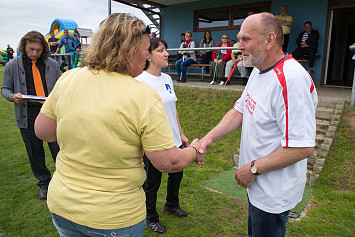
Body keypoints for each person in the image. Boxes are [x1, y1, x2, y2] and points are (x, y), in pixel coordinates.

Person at [34, 13, 202, 237]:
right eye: (144, 50)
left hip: (63, 207)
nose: (146, 56)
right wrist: (194, 150)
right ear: (127, 52)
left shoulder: (69, 78)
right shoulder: (144, 96)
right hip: (113, 218)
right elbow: (168, 162)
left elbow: (43, 130)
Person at [199, 13, 317, 237]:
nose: (238, 46)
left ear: (269, 40)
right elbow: (239, 111)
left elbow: (303, 147)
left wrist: (252, 169)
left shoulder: (291, 80)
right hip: (257, 186)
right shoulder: (259, 70)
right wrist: (208, 139)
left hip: (273, 193)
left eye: (245, 39)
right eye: (238, 39)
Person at [136, 38, 189, 234]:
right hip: (154, 143)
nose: (166, 54)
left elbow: (173, 109)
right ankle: (150, 216)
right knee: (152, 182)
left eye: (166, 50)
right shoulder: (139, 81)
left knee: (177, 174)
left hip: (174, 140)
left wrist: (181, 134)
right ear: (148, 55)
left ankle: (171, 204)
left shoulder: (167, 79)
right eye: (160, 50)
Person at [1, 31, 61, 200]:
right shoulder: (12, 65)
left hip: (51, 113)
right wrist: (12, 97)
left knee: (59, 149)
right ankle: (44, 183)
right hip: (27, 113)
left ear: (44, 49)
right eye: (31, 49)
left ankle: (63, 180)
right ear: (23, 47)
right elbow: (4, 89)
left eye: (38, 50)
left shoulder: (53, 65)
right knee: (34, 152)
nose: (34, 53)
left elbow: (61, 86)